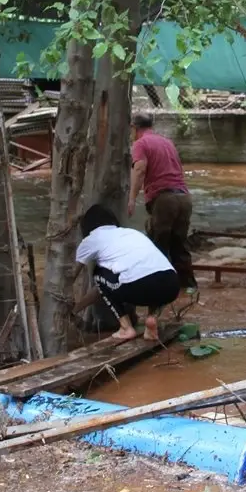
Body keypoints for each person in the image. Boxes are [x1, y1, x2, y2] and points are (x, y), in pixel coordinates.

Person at [73, 204, 180, 342]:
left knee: (98, 274)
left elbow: (72, 275)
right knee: (151, 274)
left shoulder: (90, 240)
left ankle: (126, 328)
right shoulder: (131, 232)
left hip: (139, 285)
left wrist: (71, 308)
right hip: (171, 283)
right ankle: (152, 319)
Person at [128, 113, 197, 292]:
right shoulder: (167, 142)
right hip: (184, 198)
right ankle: (188, 287)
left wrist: (131, 198)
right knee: (179, 245)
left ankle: (158, 289)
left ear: (134, 128)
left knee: (158, 244)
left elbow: (140, 169)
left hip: (165, 199)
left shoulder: (140, 144)